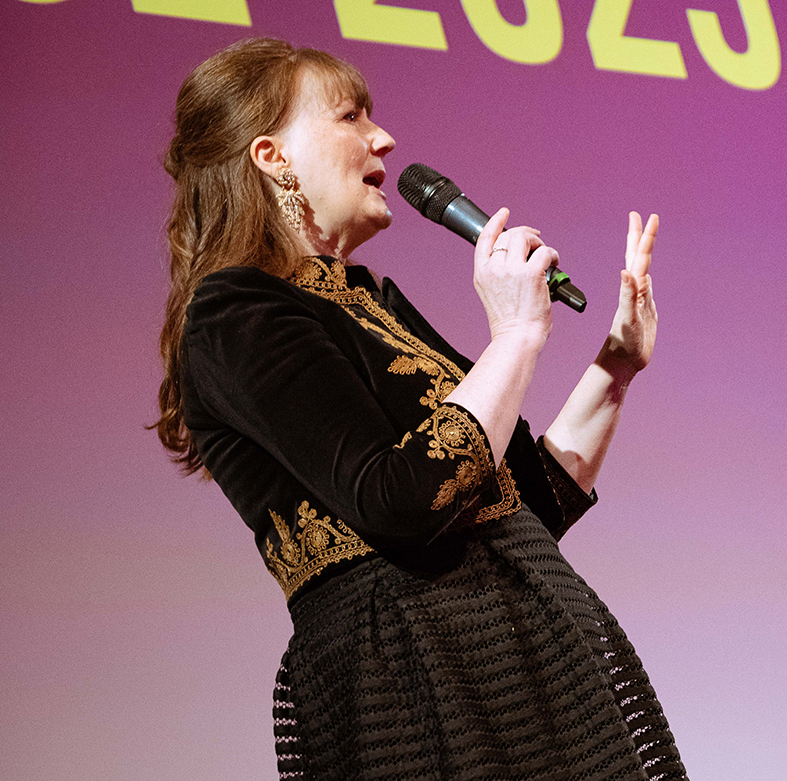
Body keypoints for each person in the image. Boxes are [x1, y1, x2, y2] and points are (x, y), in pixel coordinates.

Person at [154, 38, 688, 780]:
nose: (384, 138)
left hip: (527, 664)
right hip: (417, 685)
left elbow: (519, 500)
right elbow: (401, 500)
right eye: (350, 116)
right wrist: (518, 334)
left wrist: (616, 367)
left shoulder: (370, 299)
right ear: (272, 156)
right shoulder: (236, 312)